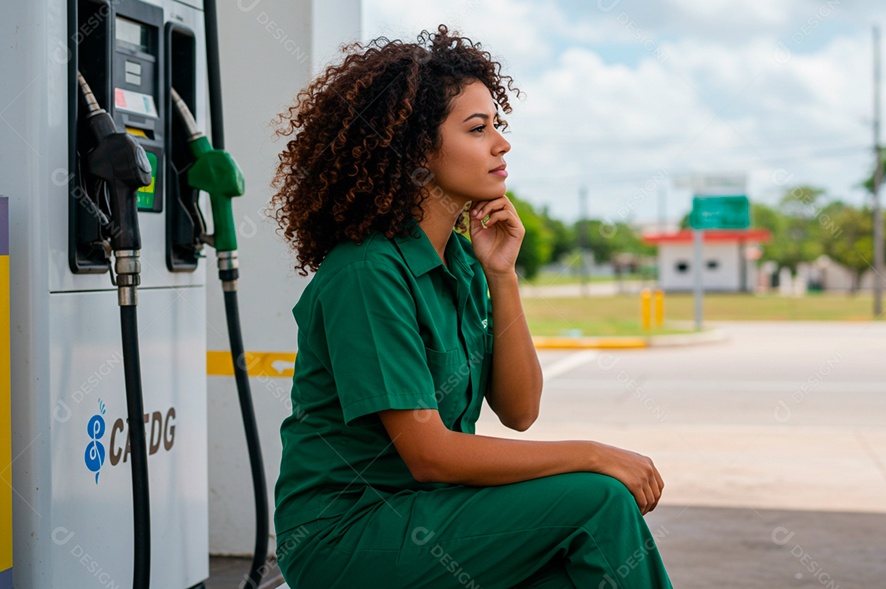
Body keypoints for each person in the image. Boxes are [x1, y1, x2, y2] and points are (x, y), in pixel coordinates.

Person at [269, 25, 673, 588]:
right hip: (347, 535)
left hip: (434, 515)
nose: (501, 144)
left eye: (497, 127)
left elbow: (520, 410)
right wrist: (593, 454)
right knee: (597, 499)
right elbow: (430, 454)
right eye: (478, 129)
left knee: (578, 570)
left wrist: (501, 274)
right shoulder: (368, 272)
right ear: (416, 151)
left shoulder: (461, 261)